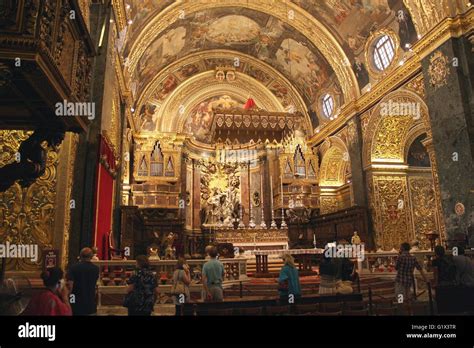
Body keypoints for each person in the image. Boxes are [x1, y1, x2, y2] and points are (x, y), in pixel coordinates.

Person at [395, 242, 429, 315]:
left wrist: (399, 254)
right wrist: (426, 279)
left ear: (403, 248)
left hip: (400, 281)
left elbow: (396, 267)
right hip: (409, 280)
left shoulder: (400, 257)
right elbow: (420, 268)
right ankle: (410, 313)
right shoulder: (413, 258)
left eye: (400, 247)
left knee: (400, 298)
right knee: (408, 298)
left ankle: (403, 313)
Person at [67, 247, 100, 315]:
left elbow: (70, 286)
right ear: (91, 256)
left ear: (80, 256)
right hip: (90, 301)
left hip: (76, 300)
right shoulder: (96, 269)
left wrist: (67, 299)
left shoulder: (73, 268)